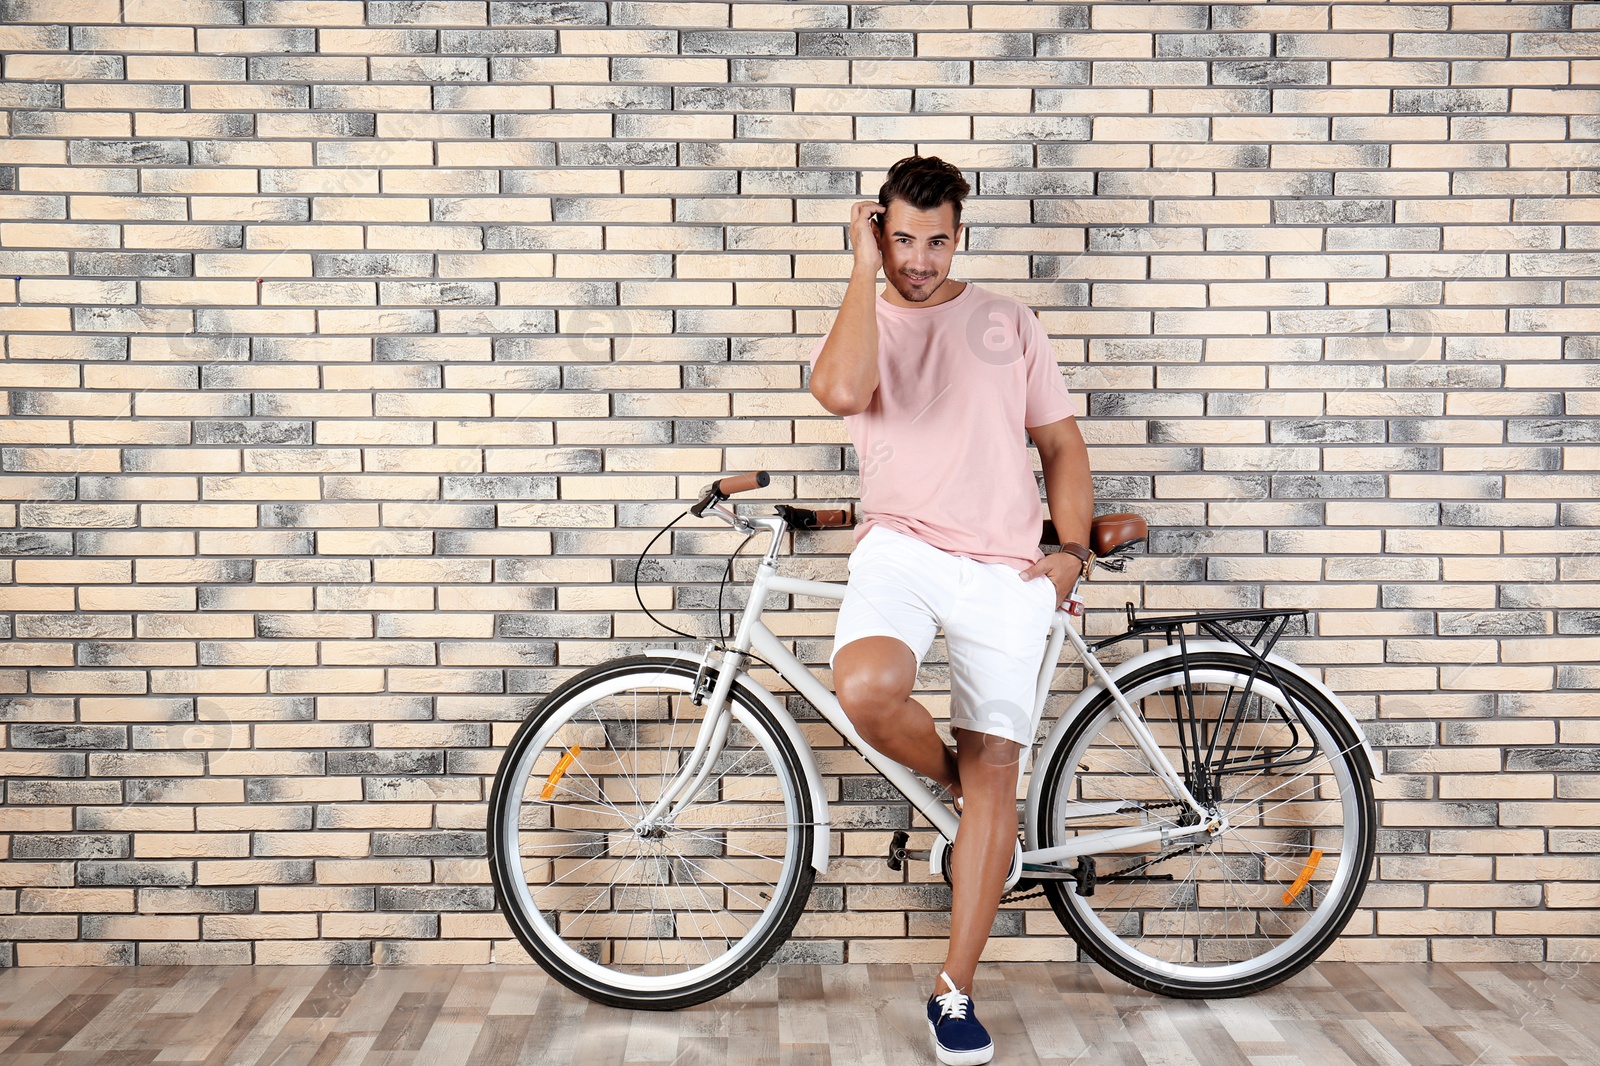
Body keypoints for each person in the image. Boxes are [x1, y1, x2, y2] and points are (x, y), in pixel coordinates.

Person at [807, 155, 1094, 1066]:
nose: (920, 260)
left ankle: (954, 992)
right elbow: (845, 394)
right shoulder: (867, 314)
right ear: (877, 232)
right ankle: (969, 791)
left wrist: (1069, 557)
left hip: (1006, 571)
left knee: (998, 778)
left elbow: (1059, 442)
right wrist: (862, 272)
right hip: (902, 547)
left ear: (958, 235)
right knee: (865, 686)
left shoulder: (1007, 321)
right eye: (902, 240)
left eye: (937, 241)